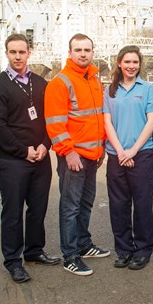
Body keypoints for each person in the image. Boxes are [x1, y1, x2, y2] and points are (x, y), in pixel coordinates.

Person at [0, 33, 60, 284]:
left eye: (22, 52)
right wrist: (23, 151)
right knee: (13, 213)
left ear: (30, 53)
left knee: (38, 209)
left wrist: (44, 145)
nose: (18, 56)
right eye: (13, 52)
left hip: (40, 157)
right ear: (6, 53)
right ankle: (13, 261)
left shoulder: (40, 83)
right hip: (12, 161)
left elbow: (51, 118)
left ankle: (34, 251)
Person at [44, 33, 110, 276]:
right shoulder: (60, 82)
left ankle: (83, 244)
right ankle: (70, 255)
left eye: (87, 49)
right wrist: (68, 152)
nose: (83, 53)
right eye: (78, 49)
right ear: (69, 53)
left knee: (85, 203)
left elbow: (98, 117)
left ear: (93, 53)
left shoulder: (94, 80)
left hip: (92, 155)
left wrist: (101, 147)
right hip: (73, 156)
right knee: (70, 206)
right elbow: (55, 123)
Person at [104, 45, 153, 271]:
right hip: (116, 155)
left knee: (142, 204)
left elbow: (152, 122)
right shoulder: (110, 90)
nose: (131, 66)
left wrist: (133, 151)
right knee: (118, 205)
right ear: (119, 63)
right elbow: (107, 123)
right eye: (127, 62)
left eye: (135, 62)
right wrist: (120, 151)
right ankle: (123, 249)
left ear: (140, 64)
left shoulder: (147, 89)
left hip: (141, 155)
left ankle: (142, 250)